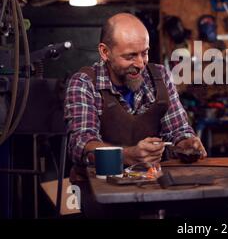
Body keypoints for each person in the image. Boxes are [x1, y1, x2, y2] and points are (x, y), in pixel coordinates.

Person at [65, 13, 206, 217]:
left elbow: (178, 130)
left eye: (145, 53)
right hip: (98, 190)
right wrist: (128, 155)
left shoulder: (159, 77)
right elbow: (82, 144)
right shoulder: (84, 83)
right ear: (105, 52)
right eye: (130, 56)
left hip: (150, 184)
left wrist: (186, 143)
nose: (140, 63)